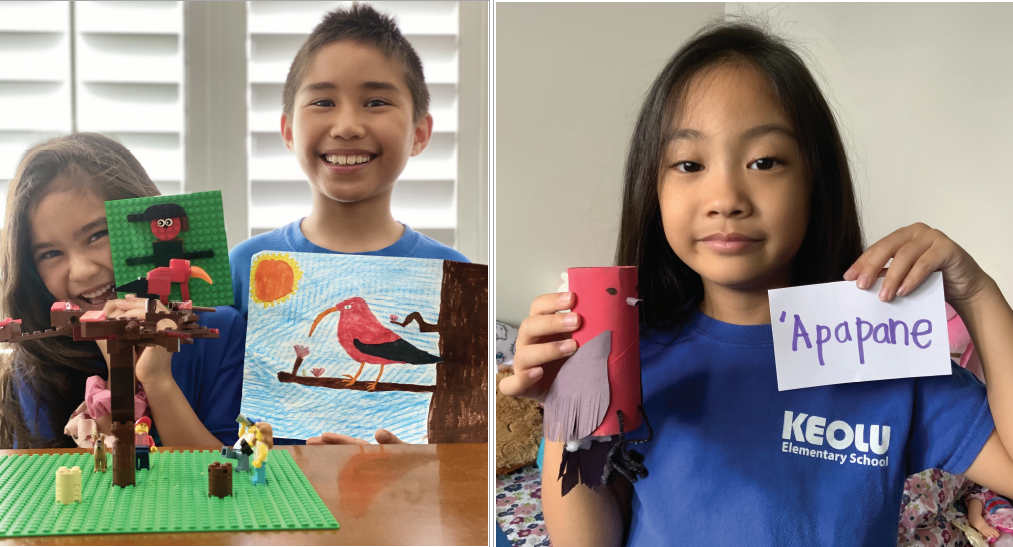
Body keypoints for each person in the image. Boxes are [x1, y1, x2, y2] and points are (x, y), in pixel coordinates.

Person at [501, 21, 1013, 546]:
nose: (726, 197)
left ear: (816, 178)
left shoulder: (882, 351)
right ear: (652, 190)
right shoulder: (629, 359)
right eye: (688, 163)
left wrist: (976, 293)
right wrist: (569, 412)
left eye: (764, 161)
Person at [228, 4, 468, 446]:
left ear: (419, 132)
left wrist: (416, 467)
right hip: (269, 505)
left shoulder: (455, 274)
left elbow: (464, 450)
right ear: (287, 130)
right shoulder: (244, 266)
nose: (347, 126)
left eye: (376, 102)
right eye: (322, 102)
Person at [0, 133, 247, 450]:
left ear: (149, 225)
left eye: (96, 235)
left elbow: (234, 475)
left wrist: (157, 381)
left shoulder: (222, 331)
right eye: (50, 254)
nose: (83, 270)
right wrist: (119, 380)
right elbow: (43, 489)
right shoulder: (40, 361)